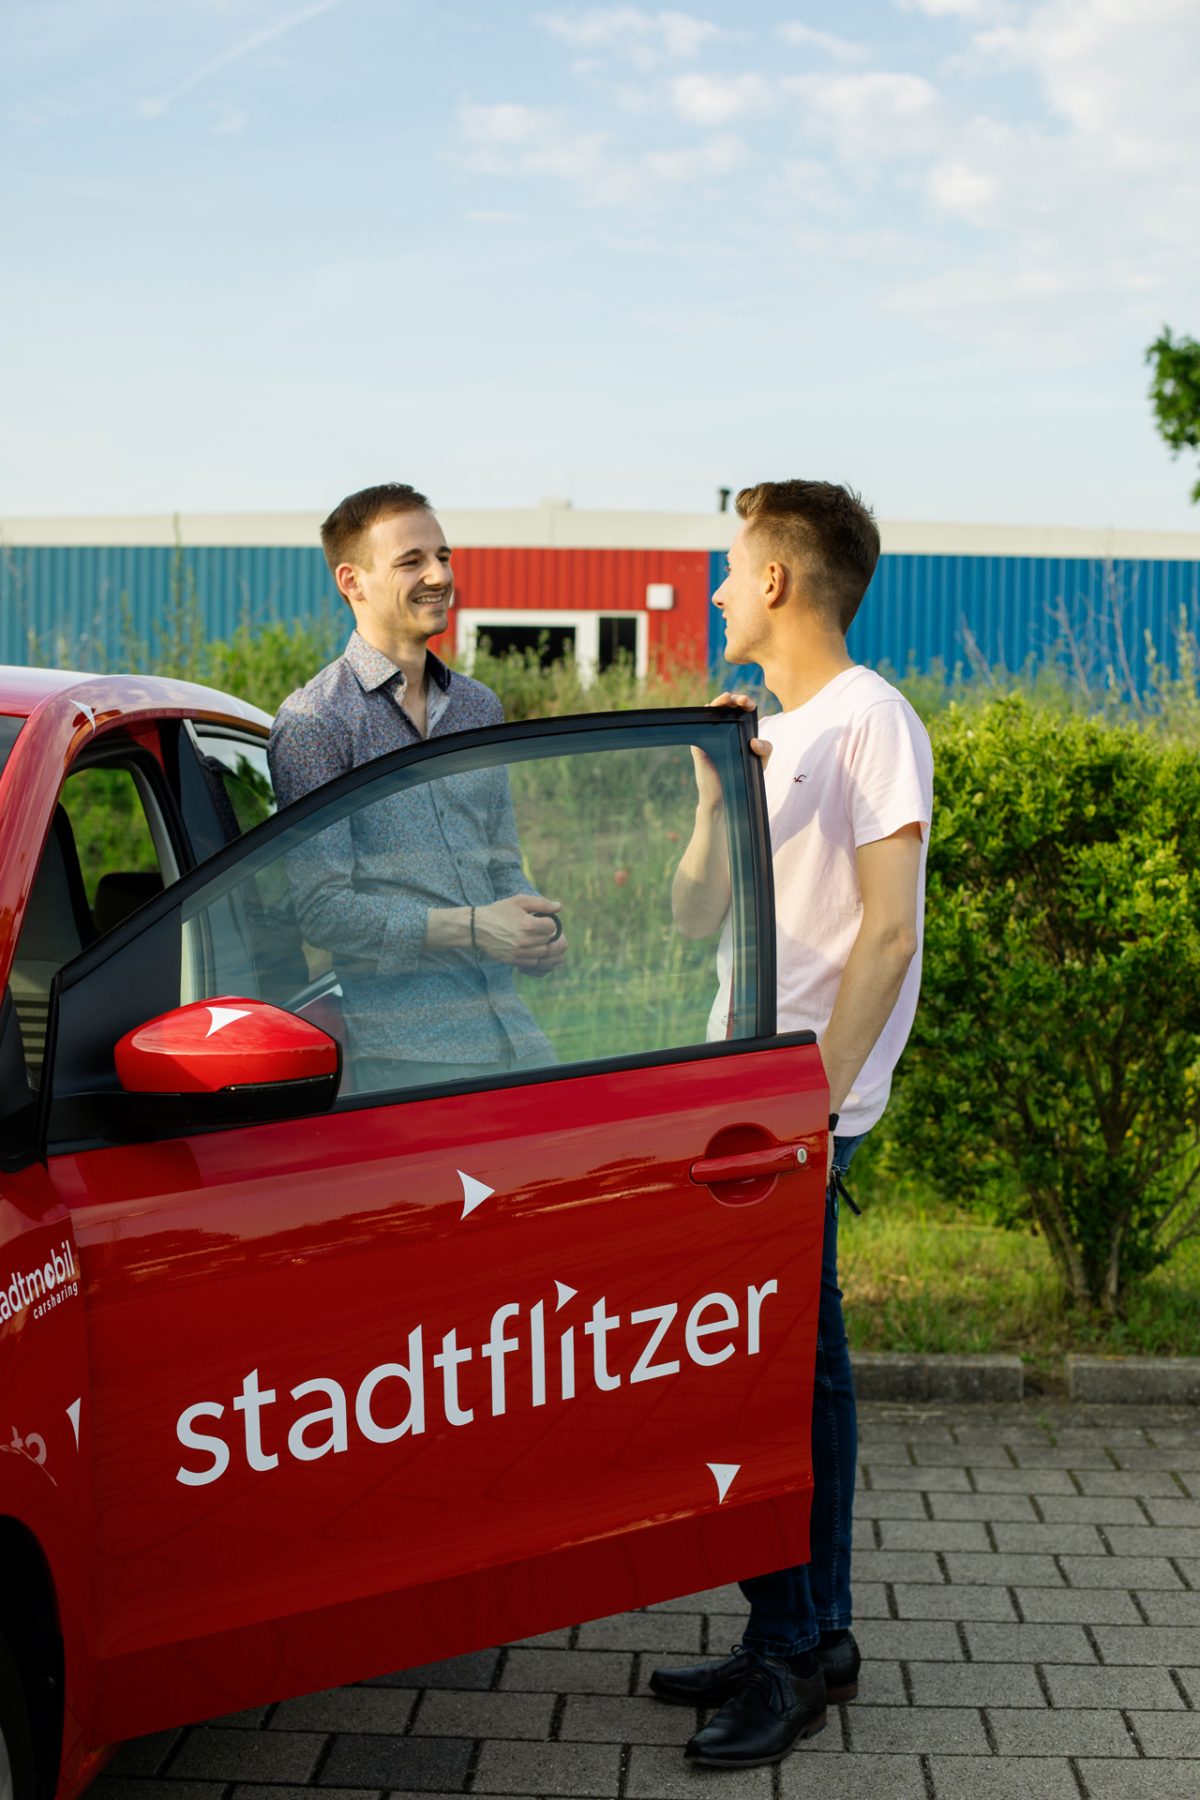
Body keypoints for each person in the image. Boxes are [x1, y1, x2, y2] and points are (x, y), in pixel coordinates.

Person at [655, 479, 934, 1769]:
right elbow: (689, 921)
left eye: (727, 567)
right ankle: (813, 1635)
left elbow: (889, 929)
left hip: (797, 1108)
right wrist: (720, 792)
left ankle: (790, 1653)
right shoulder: (773, 728)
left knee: (770, 1375)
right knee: (797, 1370)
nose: (716, 588)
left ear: (776, 580)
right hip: (747, 1101)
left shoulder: (873, 719)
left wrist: (812, 1101)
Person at [268, 482, 565, 1090]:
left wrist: (535, 929)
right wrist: (480, 927)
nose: (439, 575)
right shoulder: (314, 723)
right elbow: (324, 913)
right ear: (352, 581)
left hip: (518, 1038)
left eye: (444, 556)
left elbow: (501, 862)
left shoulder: (480, 708)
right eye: (412, 561)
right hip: (411, 1062)